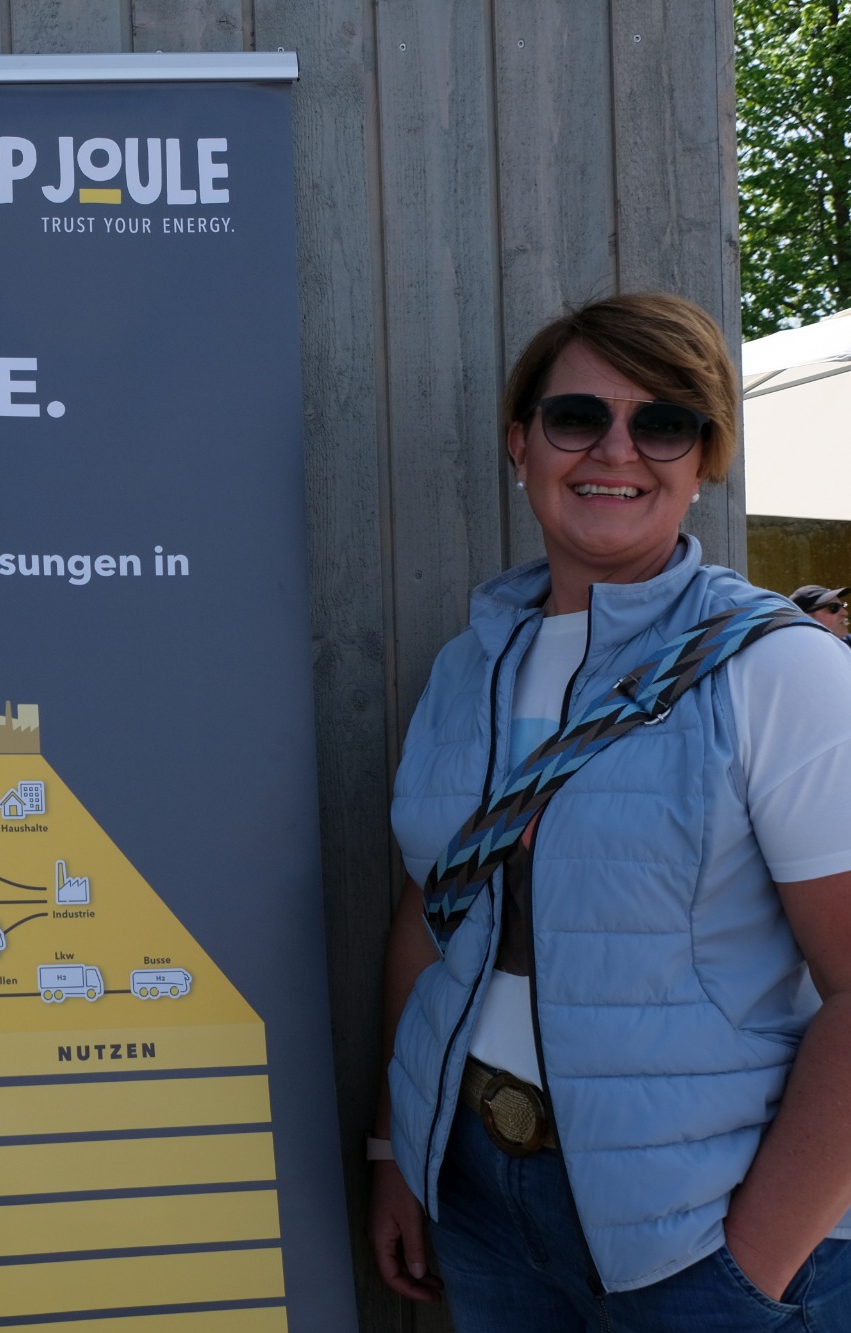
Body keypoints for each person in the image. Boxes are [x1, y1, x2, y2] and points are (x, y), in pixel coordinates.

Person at [368, 292, 851, 1330]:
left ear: (703, 457)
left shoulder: (781, 672)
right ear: (521, 443)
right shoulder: (465, 669)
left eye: (663, 422)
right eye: (576, 416)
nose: (616, 450)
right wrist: (395, 1148)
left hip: (700, 1224)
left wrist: (750, 1266)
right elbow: (427, 911)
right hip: (477, 1192)